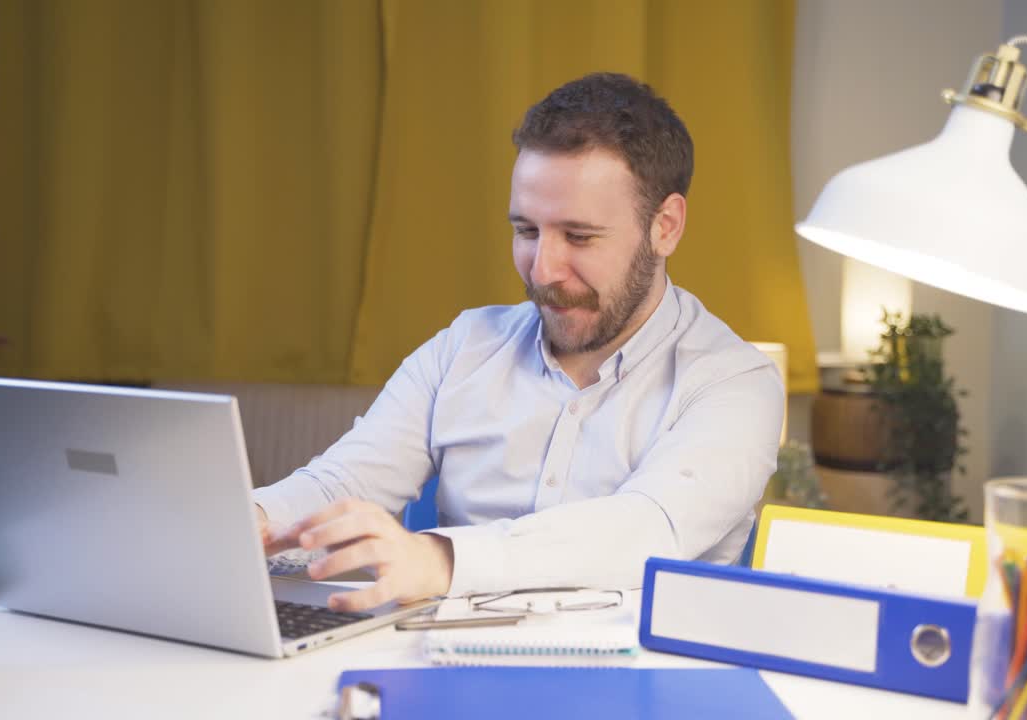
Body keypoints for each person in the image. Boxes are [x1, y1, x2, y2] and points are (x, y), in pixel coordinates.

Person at [254, 72, 784, 613]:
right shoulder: (463, 346)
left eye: (579, 236)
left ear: (665, 226)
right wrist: (255, 519)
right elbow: (344, 481)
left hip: (639, 682)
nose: (544, 270)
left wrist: (439, 560)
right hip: (443, 662)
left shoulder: (736, 383)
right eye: (527, 231)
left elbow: (648, 527)